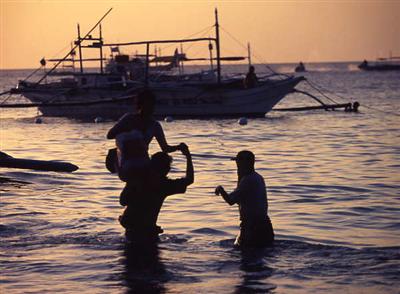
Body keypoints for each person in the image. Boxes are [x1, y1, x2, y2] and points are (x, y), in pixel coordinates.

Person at [119, 143, 194, 244]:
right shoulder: (164, 185)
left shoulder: (138, 180)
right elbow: (189, 180)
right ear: (167, 170)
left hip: (132, 232)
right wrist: (188, 156)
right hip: (148, 233)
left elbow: (123, 201)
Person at [107, 89, 183, 181]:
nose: (150, 108)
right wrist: (129, 130)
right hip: (126, 164)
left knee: (161, 158)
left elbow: (165, 148)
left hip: (142, 163)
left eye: (151, 105)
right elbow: (110, 135)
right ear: (140, 105)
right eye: (147, 105)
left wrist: (179, 147)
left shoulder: (155, 125)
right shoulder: (128, 119)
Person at [215, 150, 274, 247]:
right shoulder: (258, 177)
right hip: (265, 225)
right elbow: (241, 200)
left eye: (238, 163)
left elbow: (231, 201)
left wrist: (220, 189)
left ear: (245, 163)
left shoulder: (247, 180)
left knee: (245, 254)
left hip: (252, 227)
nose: (237, 166)